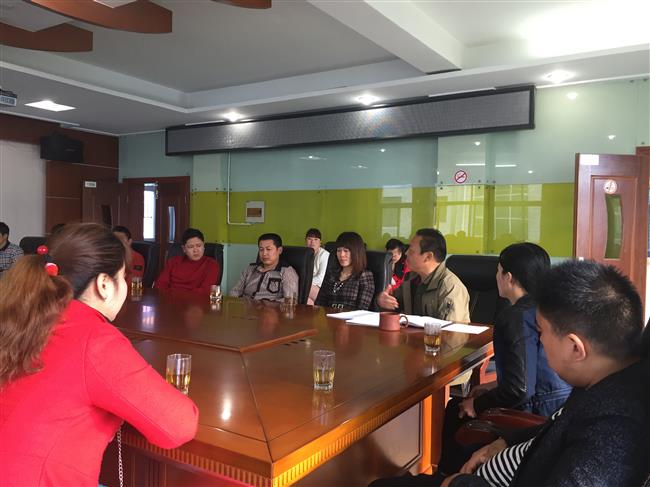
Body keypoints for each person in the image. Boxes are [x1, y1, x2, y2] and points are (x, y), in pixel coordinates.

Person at [0, 223, 198, 487]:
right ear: (104, 284)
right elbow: (178, 426)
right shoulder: (94, 339)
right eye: (123, 277)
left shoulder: (23, 317)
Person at [436, 243, 572, 476]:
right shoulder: (552, 308)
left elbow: (519, 390)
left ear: (509, 277)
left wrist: (477, 404)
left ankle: (449, 478)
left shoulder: (515, 317)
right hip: (557, 407)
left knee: (454, 410)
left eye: (498, 271)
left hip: (534, 416)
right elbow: (533, 370)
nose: (496, 276)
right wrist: (492, 387)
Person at [377, 228, 469, 322]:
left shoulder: (451, 287)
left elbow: (449, 329)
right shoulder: (411, 278)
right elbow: (393, 305)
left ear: (428, 257)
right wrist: (382, 302)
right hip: (411, 331)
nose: (406, 253)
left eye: (411, 251)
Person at [229, 233, 299, 302]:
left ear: (279, 250)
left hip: (270, 308)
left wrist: (266, 306)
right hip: (246, 307)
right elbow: (235, 292)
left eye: (268, 249)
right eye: (261, 249)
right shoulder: (250, 269)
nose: (264, 253)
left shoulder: (287, 272)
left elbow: (290, 300)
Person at [315, 232, 375, 310]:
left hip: (351, 317)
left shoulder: (364, 276)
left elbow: (362, 309)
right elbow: (319, 303)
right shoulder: (332, 274)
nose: (341, 255)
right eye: (339, 250)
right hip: (328, 316)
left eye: (346, 251)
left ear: (356, 252)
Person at [155, 228, 220, 294]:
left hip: (195, 300)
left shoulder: (212, 265)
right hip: (169, 299)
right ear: (184, 249)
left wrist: (175, 294)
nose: (195, 250)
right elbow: (160, 284)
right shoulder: (173, 262)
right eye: (191, 247)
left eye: (199, 246)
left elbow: (205, 291)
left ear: (203, 246)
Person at [306, 228, 330, 304]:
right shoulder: (304, 254)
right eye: (309, 239)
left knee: (304, 288)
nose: (312, 242)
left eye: (316, 239)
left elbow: (321, 278)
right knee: (307, 301)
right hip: (310, 286)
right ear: (305, 241)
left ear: (320, 242)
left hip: (323, 288)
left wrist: (304, 281)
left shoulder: (324, 255)